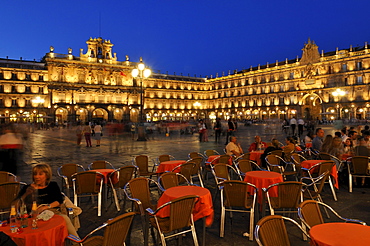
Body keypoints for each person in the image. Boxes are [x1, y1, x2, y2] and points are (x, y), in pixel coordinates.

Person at [13, 164, 79, 237]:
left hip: (52, 213)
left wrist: (45, 207)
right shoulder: (27, 188)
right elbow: (15, 205)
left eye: (40, 174)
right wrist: (26, 194)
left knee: (65, 218)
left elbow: (59, 200)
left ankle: (76, 243)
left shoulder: (52, 185)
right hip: (33, 216)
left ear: (47, 175)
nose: (37, 177)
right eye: (35, 174)